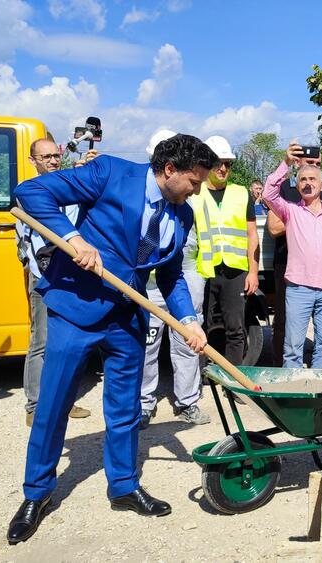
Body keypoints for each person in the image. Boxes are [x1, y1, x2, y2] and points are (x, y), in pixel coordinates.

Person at [7, 134, 213, 544]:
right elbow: (30, 192)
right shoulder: (110, 173)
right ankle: (37, 493)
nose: (197, 189)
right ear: (169, 170)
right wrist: (74, 239)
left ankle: (123, 485)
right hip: (76, 308)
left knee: (125, 409)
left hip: (127, 317)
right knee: (53, 405)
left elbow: (169, 275)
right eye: (194, 181)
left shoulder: (182, 214)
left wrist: (189, 319)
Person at [139, 130, 214, 428]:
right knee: (147, 344)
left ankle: (187, 402)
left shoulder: (186, 204)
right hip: (148, 286)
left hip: (185, 278)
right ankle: (144, 404)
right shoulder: (143, 198)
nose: (194, 190)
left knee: (188, 342)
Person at [17, 137, 91, 427]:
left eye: (55, 156)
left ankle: (63, 401)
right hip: (44, 276)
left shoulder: (71, 186)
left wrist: (85, 173)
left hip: (72, 276)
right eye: (45, 157)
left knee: (67, 342)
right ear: (32, 160)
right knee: (42, 342)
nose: (52, 160)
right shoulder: (29, 193)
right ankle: (34, 406)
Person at [263, 143, 322, 369]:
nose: (308, 183)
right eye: (303, 179)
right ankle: (292, 392)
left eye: (313, 179)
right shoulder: (291, 211)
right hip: (298, 288)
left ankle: (318, 391)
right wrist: (285, 163)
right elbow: (268, 193)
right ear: (297, 184)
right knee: (292, 346)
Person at [195, 136, 259, 368]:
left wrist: (253, 272)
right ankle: (199, 379)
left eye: (227, 164)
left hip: (234, 272)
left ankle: (233, 380)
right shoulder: (195, 191)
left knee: (236, 329)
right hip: (204, 271)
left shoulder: (241, 193)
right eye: (217, 162)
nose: (223, 168)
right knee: (200, 329)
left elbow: (253, 235)